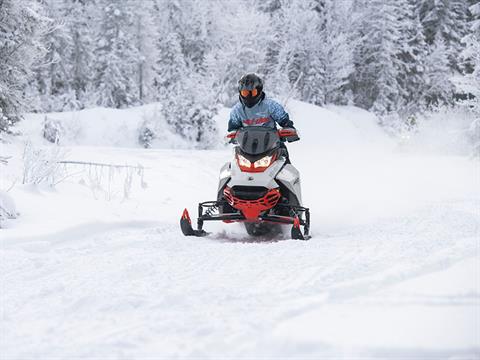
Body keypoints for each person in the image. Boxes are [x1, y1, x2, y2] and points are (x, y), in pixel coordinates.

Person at [228, 73, 295, 163]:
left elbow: (284, 120)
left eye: (252, 93)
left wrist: (289, 129)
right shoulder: (237, 110)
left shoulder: (270, 105)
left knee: (285, 164)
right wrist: (232, 135)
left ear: (259, 91)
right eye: (245, 93)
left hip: (272, 147)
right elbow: (233, 128)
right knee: (232, 168)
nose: (248, 96)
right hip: (246, 149)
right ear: (240, 93)